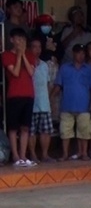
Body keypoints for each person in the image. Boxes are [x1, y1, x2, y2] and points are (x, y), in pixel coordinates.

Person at [53, 43, 91, 160]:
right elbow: (58, 85)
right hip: (67, 105)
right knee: (65, 132)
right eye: (78, 53)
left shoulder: (88, 69)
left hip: (84, 105)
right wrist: (51, 98)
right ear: (73, 54)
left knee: (84, 130)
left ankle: (84, 153)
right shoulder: (64, 68)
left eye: (83, 53)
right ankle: (65, 154)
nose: (81, 55)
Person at [3, 28, 38, 167]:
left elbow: (31, 72)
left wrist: (23, 55)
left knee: (25, 127)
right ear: (11, 40)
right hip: (14, 95)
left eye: (22, 39)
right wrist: (18, 55)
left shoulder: (30, 55)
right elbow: (16, 72)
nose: (20, 42)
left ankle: (23, 156)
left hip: (28, 94)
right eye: (17, 39)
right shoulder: (6, 55)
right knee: (13, 127)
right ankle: (16, 156)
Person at [28, 37, 56, 163]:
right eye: (34, 47)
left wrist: (49, 98)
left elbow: (49, 84)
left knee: (46, 131)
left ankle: (45, 155)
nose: (37, 50)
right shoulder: (27, 64)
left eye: (39, 47)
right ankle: (33, 155)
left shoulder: (45, 65)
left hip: (44, 102)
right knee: (31, 131)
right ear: (29, 48)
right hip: (31, 103)